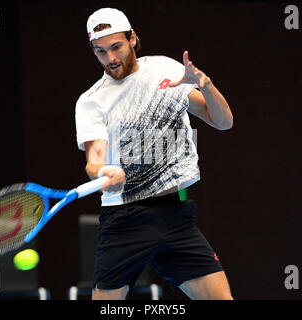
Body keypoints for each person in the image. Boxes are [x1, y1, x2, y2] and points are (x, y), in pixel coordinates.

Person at [75, 8, 234, 300]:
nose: (110, 59)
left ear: (133, 38)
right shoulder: (91, 101)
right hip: (124, 220)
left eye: (116, 47)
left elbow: (223, 122)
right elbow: (94, 159)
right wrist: (102, 172)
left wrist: (204, 83)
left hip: (174, 215)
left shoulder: (164, 69)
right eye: (100, 51)